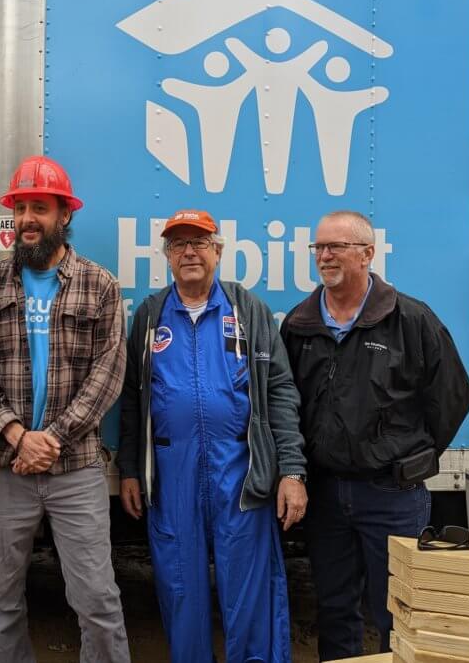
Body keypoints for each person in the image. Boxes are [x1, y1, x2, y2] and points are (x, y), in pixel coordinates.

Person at [280, 210, 469, 661]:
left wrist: (408, 455)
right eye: (318, 248)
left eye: (336, 247)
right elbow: (286, 403)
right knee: (334, 609)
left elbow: (451, 396)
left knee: (397, 612)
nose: (324, 256)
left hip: (392, 495)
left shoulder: (410, 319)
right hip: (326, 496)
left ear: (367, 254)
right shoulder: (299, 324)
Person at [0, 155, 130, 663]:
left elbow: (108, 374)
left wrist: (50, 438)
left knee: (97, 599)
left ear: (64, 216)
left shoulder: (99, 285)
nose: (29, 218)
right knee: (1, 600)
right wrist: (17, 435)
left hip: (74, 468)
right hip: (4, 467)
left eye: (41, 207)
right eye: (21, 208)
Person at [118, 209, 307, 663]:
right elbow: (131, 399)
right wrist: (129, 469)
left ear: (218, 251)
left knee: (250, 592)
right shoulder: (149, 315)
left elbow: (280, 391)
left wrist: (292, 471)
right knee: (180, 590)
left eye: (199, 242)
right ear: (166, 256)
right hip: (172, 475)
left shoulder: (248, 310)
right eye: (178, 244)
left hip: (241, 475)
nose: (189, 252)